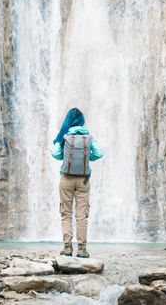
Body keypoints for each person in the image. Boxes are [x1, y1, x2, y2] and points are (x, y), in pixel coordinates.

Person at [51, 108, 103, 258]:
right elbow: (99, 153)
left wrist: (65, 156)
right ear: (81, 121)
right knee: (82, 216)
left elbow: (55, 153)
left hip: (66, 179)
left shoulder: (65, 136)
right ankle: (82, 249)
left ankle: (67, 247)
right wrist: (88, 159)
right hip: (83, 180)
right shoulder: (88, 137)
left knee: (66, 213)